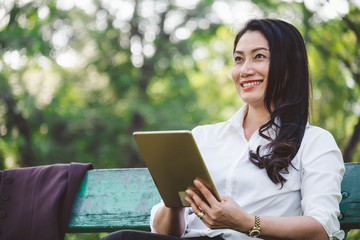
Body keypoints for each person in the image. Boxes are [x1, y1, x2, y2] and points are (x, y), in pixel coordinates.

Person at [102, 18, 345, 240]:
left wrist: (247, 222)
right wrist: (174, 203)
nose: (245, 69)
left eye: (259, 56)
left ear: (289, 67)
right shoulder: (202, 137)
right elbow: (166, 233)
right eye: (239, 59)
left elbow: (321, 229)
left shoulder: (315, 142)